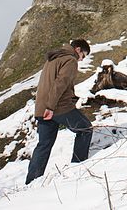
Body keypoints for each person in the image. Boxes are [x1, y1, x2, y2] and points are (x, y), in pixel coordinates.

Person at [25, 39, 92, 185]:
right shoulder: (70, 60)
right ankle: (78, 166)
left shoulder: (54, 58)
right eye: (83, 56)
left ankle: (31, 182)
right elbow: (60, 83)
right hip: (57, 106)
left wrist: (46, 107)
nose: (82, 59)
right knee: (85, 129)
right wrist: (51, 107)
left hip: (42, 107)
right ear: (78, 49)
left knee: (44, 145)